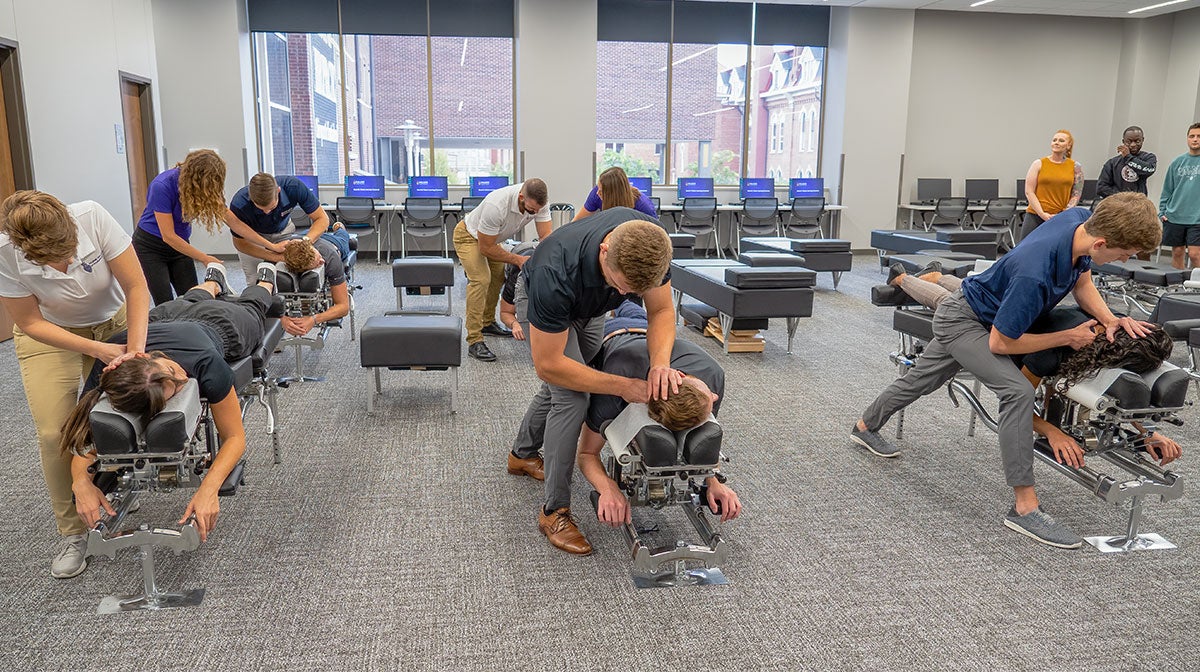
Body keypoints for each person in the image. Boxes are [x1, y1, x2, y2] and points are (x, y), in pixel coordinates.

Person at [850, 192, 1161, 550]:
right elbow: (1001, 344)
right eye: (1124, 255)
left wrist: (1110, 319)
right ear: (1102, 242)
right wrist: (1067, 336)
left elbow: (1082, 281)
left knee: (921, 379)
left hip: (980, 312)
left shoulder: (1081, 219)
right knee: (1017, 391)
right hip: (967, 322)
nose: (1125, 260)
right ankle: (1024, 508)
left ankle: (864, 426)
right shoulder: (1036, 272)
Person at [62, 262, 281, 545]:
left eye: (174, 374)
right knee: (190, 298)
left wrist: (209, 488)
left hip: (223, 323)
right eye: (176, 386)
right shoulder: (111, 365)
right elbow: (85, 441)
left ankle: (261, 281)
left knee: (253, 306)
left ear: (148, 356)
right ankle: (213, 281)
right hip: (164, 316)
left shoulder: (205, 362)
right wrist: (80, 483)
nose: (182, 376)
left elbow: (235, 437)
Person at [0, 191, 151, 579]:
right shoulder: (7, 252)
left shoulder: (92, 217)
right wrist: (96, 349)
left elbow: (136, 288)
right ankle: (73, 533)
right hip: (51, 335)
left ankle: (109, 485)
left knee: (119, 407)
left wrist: (134, 352)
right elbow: (31, 322)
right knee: (55, 431)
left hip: (112, 322)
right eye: (54, 262)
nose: (65, 264)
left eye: (68, 253)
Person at [509, 207, 676, 556]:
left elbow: (660, 310)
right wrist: (623, 386)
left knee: (570, 381)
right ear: (605, 248)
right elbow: (549, 365)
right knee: (571, 395)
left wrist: (660, 364)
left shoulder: (651, 244)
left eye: (634, 291)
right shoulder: (553, 271)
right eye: (622, 286)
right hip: (546, 299)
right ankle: (553, 510)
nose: (627, 293)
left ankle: (521, 455)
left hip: (591, 306)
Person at [577, 300, 740, 529]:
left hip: (647, 327)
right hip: (609, 334)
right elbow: (586, 454)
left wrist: (712, 481)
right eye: (711, 396)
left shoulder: (712, 378)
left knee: (629, 304)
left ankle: (623, 301)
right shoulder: (615, 391)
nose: (714, 396)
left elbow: (702, 437)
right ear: (679, 375)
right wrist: (607, 488)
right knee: (602, 303)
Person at [134, 150, 286, 304]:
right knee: (165, 302)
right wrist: (204, 258)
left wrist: (271, 246)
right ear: (197, 179)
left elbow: (235, 223)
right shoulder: (162, 186)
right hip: (150, 247)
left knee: (193, 299)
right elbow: (168, 236)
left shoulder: (208, 188)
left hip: (179, 247)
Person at [452, 178, 552, 362]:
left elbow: (545, 235)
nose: (535, 213)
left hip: (493, 239)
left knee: (498, 277)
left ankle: (487, 323)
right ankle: (474, 340)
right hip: (468, 236)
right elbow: (486, 248)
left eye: (538, 210)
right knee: (481, 279)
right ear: (521, 197)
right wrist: (519, 259)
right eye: (531, 210)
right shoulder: (496, 205)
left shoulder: (539, 202)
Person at [228, 172, 333, 285]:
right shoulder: (239, 204)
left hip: (284, 231)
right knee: (256, 281)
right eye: (261, 209)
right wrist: (276, 256)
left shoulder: (293, 187)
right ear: (251, 198)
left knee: (289, 278)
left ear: (278, 191)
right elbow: (240, 243)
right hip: (252, 238)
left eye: (271, 207)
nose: (266, 212)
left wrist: (305, 242)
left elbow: (322, 219)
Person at [275, 223, 352, 336]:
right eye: (318, 263)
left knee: (343, 236)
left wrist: (314, 319)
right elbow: (261, 300)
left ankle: (339, 227)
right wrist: (282, 318)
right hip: (299, 235)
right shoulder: (278, 253)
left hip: (333, 243)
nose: (322, 261)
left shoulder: (330, 258)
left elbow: (344, 307)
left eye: (319, 257)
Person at [1019, 130, 1083, 242]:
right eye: (1054, 140)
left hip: (1060, 216)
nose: (1056, 142)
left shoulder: (1075, 167)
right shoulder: (1038, 164)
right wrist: (1042, 214)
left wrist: (1065, 213)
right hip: (1035, 215)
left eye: (1061, 140)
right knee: (1024, 248)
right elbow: (1029, 192)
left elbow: (1076, 194)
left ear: (1068, 145)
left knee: (1054, 249)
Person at [1158, 122, 1200, 270]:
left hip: (1197, 218)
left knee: (1195, 254)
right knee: (1177, 252)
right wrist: (1162, 211)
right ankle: (1178, 288)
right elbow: (1167, 189)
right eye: (1192, 136)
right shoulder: (1177, 162)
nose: (1195, 139)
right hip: (1175, 215)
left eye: (1199, 136)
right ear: (1187, 139)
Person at [571, 167, 657, 221]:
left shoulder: (643, 206)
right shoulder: (596, 194)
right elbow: (577, 221)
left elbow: (658, 237)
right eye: (598, 188)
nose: (597, 193)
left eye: (601, 191)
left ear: (613, 194)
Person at [1097, 126, 1157, 199]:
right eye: (1128, 142)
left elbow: (1149, 170)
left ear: (1142, 140)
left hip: (1138, 205)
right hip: (1117, 204)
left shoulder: (1148, 157)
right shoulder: (1112, 163)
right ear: (1123, 141)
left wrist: (1128, 157)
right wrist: (1124, 197)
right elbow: (1101, 188)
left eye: (1137, 141)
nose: (1133, 145)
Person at [498, 241, 537, 342]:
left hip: (538, 248)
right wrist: (514, 324)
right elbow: (505, 312)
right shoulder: (517, 279)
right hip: (519, 252)